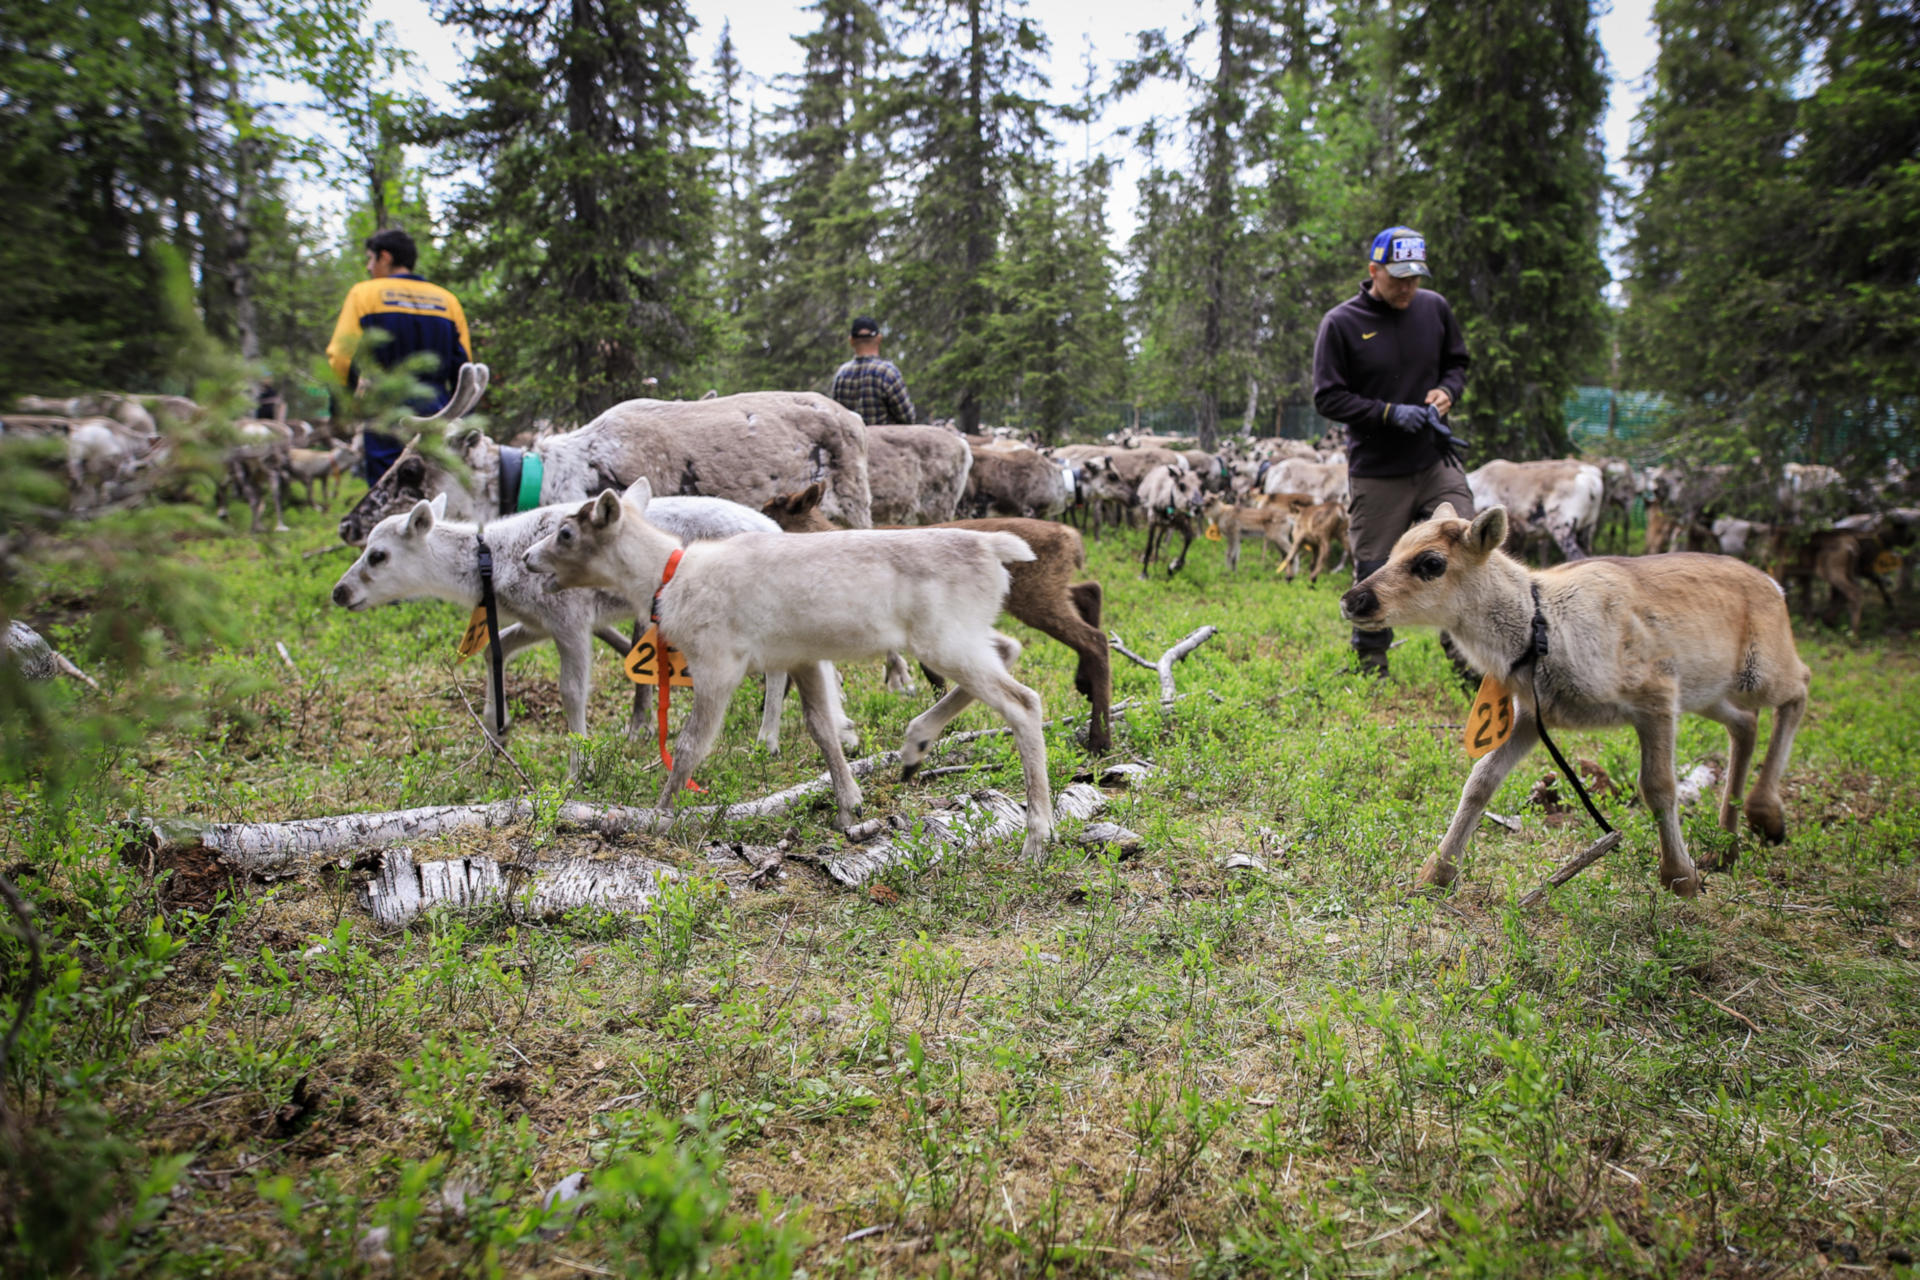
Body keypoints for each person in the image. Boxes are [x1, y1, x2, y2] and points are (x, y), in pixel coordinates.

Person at [1312, 225, 1472, 677]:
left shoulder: (1434, 309)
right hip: (1378, 468)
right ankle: (1371, 657)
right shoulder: (1341, 323)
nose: (1407, 287)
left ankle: (1467, 656)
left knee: (1463, 543)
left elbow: (1458, 363)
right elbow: (1327, 396)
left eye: (1414, 277)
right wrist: (1386, 413)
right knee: (1375, 561)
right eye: (1398, 277)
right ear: (1373, 271)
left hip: (1435, 459)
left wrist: (1446, 392)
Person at [327, 228, 473, 483]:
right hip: (438, 410)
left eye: (370, 259)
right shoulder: (447, 301)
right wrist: (464, 419)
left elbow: (341, 357)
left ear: (385, 257)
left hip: (386, 409)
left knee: (388, 489)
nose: (368, 266)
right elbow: (465, 369)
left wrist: (342, 407)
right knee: (435, 488)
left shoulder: (364, 295)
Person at [830, 316, 917, 425]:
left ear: (851, 341)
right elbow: (908, 418)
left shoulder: (841, 375)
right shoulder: (887, 372)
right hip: (886, 441)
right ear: (879, 338)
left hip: (854, 441)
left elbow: (837, 416)